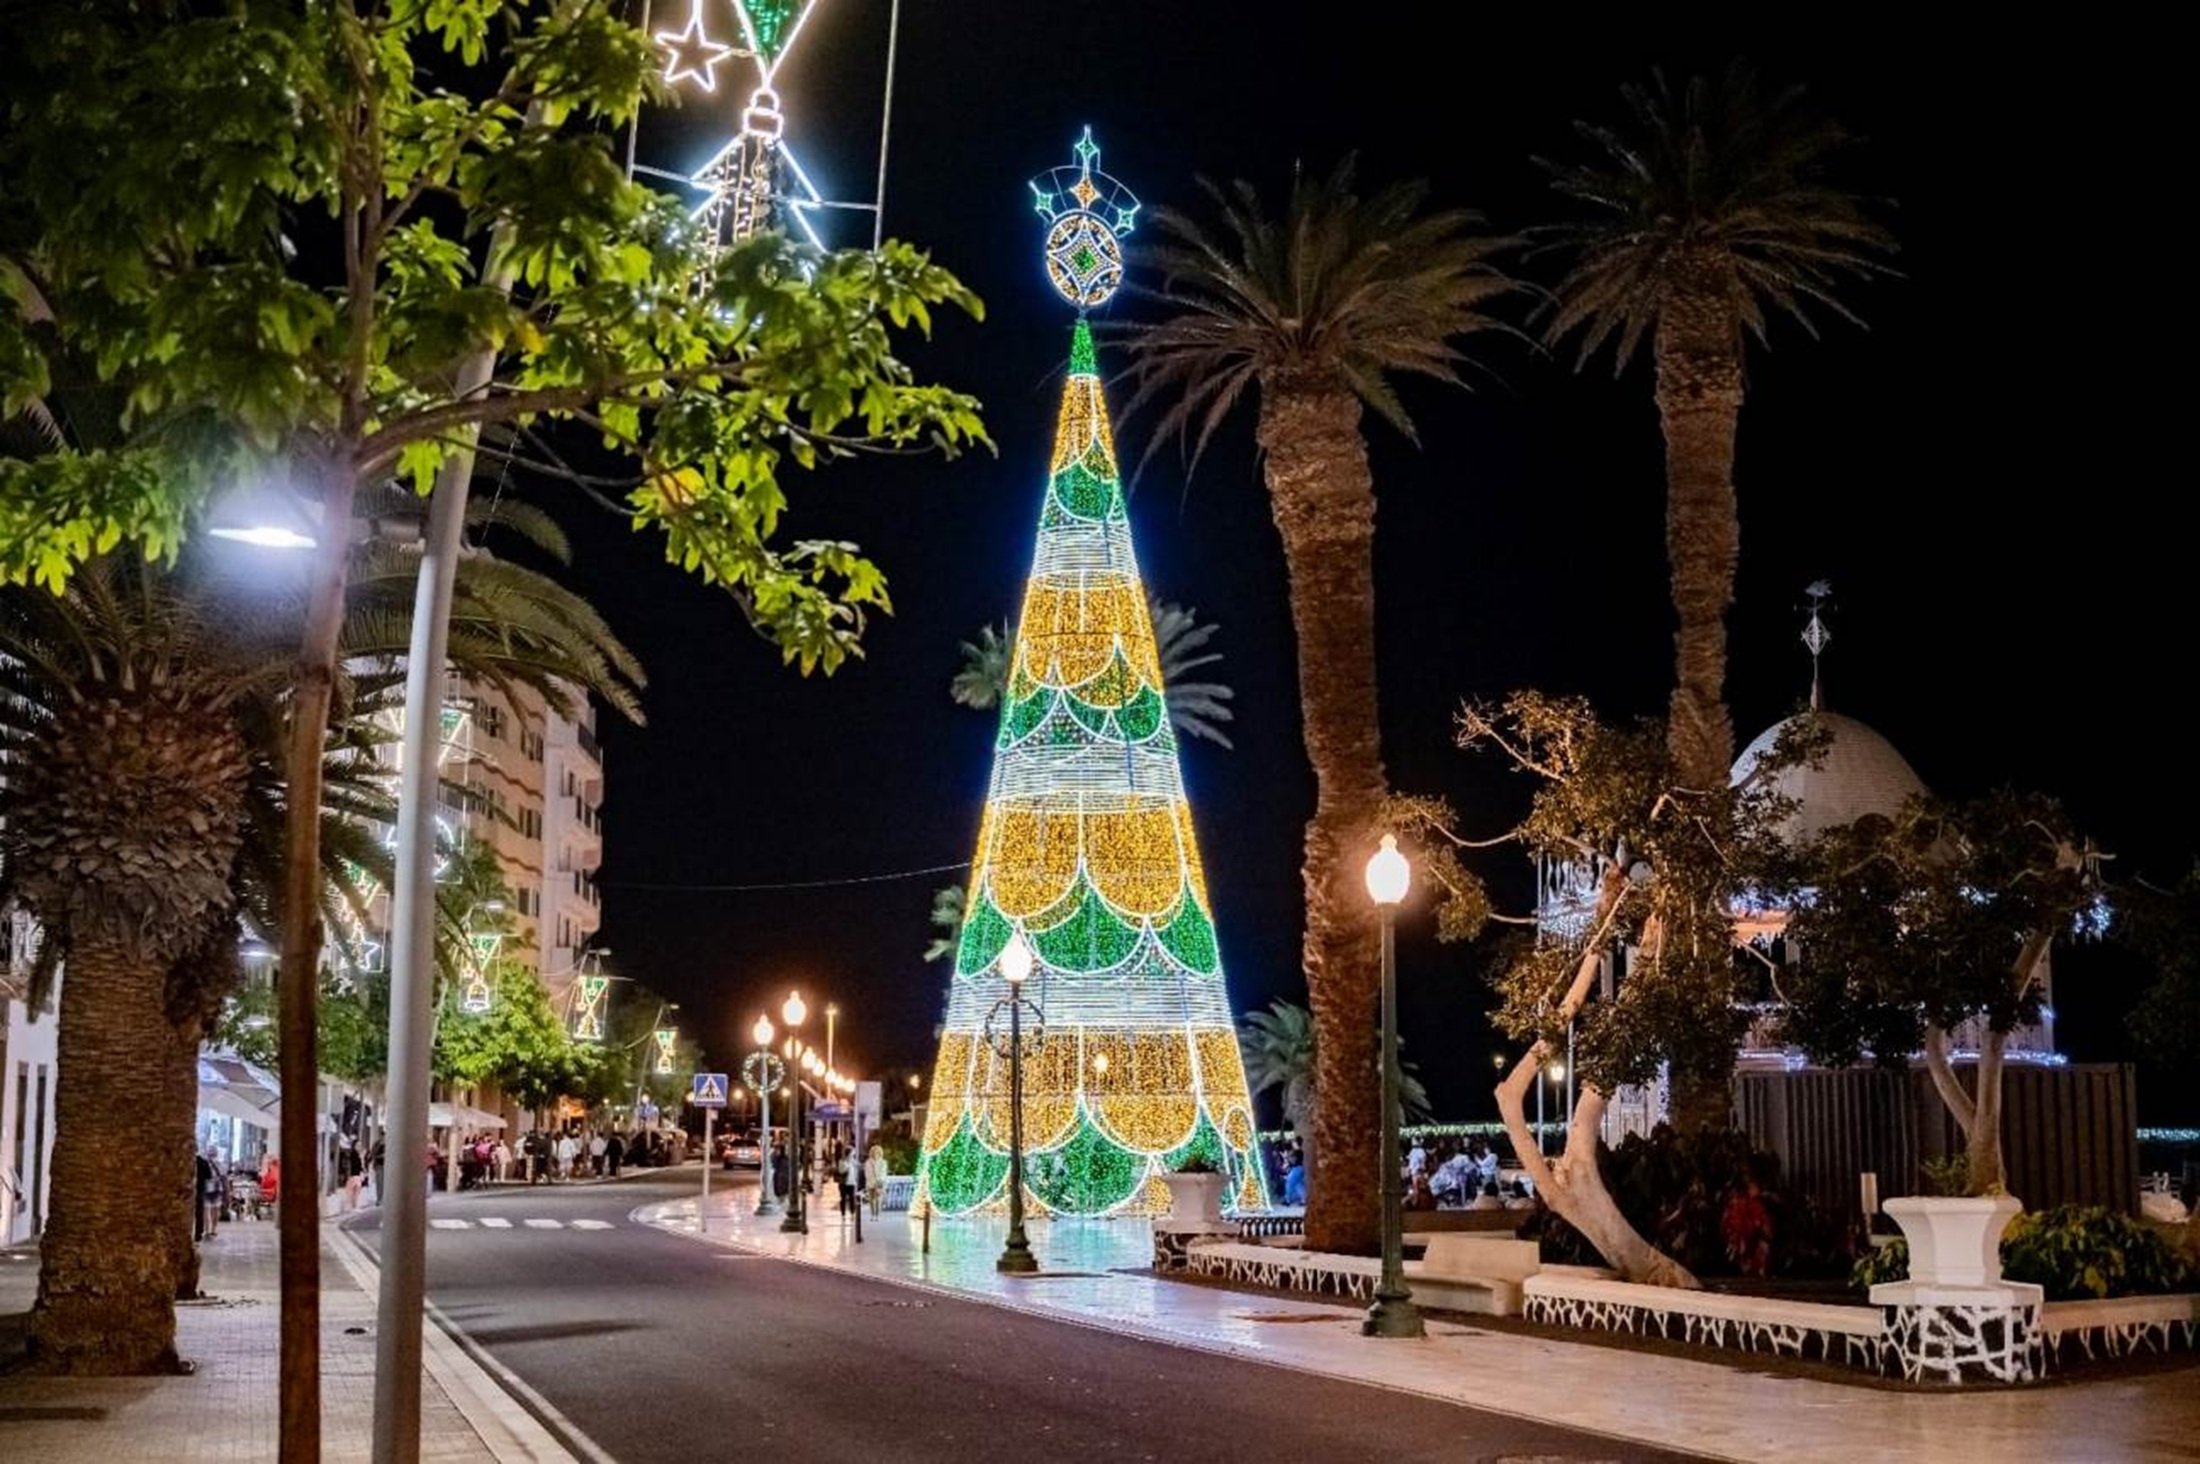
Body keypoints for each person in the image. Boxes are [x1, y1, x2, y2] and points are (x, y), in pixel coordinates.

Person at [196, 1146, 223, 1240]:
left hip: (213, 1186)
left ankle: (211, 1229)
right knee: (208, 1209)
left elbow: (222, 1175)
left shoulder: (216, 1163)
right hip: (211, 1186)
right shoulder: (207, 1162)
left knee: (212, 1209)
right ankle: (209, 1230)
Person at [337, 1138, 365, 1211]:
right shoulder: (354, 1154)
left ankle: (353, 1206)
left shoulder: (356, 1154)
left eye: (360, 1145)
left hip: (356, 1175)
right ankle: (353, 1207)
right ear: (354, 1145)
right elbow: (355, 1165)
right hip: (354, 1175)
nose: (359, 1146)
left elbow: (359, 1166)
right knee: (354, 1191)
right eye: (358, 1145)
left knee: (354, 1191)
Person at [863, 1143, 887, 1217]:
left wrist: (879, 1180)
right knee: (871, 1199)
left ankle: (877, 1214)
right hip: (871, 1182)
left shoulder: (883, 1162)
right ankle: (872, 1214)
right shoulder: (868, 1162)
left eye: (877, 1152)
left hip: (879, 1182)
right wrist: (871, 1179)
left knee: (878, 1199)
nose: (876, 1154)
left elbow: (883, 1172)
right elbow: (867, 1172)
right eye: (874, 1152)